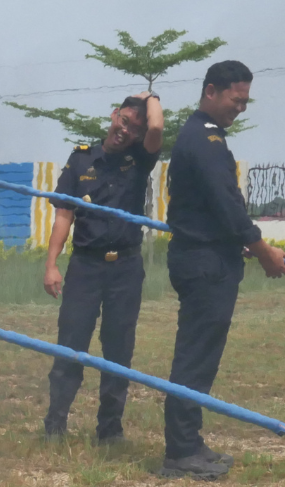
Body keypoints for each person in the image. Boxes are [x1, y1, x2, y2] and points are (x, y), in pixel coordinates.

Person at [159, 59, 285, 480]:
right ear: (211, 91)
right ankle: (180, 452)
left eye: (246, 101)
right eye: (237, 99)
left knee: (203, 357)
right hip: (204, 261)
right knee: (195, 357)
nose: (241, 108)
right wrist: (260, 247)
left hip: (209, 255)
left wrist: (249, 244)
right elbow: (226, 202)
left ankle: (190, 441)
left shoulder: (204, 136)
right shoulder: (205, 139)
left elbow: (214, 207)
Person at [41, 93, 165, 443]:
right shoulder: (81, 160)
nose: (126, 131)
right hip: (85, 266)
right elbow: (64, 214)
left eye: (134, 128)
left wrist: (149, 97)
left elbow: (156, 125)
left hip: (125, 267)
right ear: (113, 116)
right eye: (124, 121)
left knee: (118, 349)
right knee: (70, 345)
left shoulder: (140, 159)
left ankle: (109, 430)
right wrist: (52, 264)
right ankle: (55, 425)